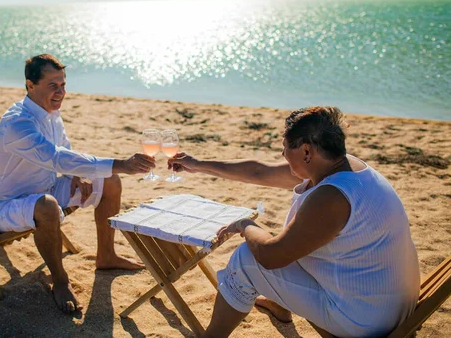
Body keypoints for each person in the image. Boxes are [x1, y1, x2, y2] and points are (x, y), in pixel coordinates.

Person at [168, 106, 420, 338]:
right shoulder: (345, 168)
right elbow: (259, 172)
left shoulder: (331, 196)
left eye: (285, 146)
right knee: (293, 238)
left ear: (307, 151)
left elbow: (271, 257)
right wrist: (197, 165)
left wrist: (244, 225)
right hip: (390, 304)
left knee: (248, 258)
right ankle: (280, 305)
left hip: (364, 320)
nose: (282, 154)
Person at [0, 54, 155, 314]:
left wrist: (76, 174)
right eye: (53, 85)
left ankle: (106, 256)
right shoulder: (18, 123)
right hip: (8, 206)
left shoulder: (51, 113)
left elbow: (64, 149)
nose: (60, 92)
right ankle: (61, 281)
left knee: (109, 180)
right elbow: (53, 157)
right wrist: (122, 163)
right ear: (31, 85)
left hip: (48, 188)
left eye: (63, 85)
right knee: (48, 206)